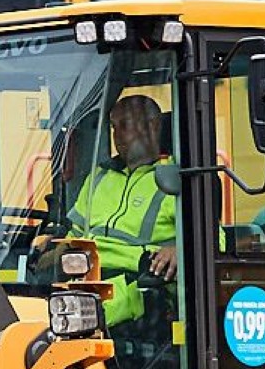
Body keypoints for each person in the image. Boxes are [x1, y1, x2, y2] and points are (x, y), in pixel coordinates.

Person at [55, 92, 179, 328]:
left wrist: (179, 249)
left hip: (137, 284)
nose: (117, 135)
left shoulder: (173, 178)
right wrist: (49, 251)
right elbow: (75, 234)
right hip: (83, 277)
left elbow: (214, 240)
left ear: (153, 126)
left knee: (67, 323)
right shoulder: (99, 177)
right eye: (113, 127)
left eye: (125, 125)